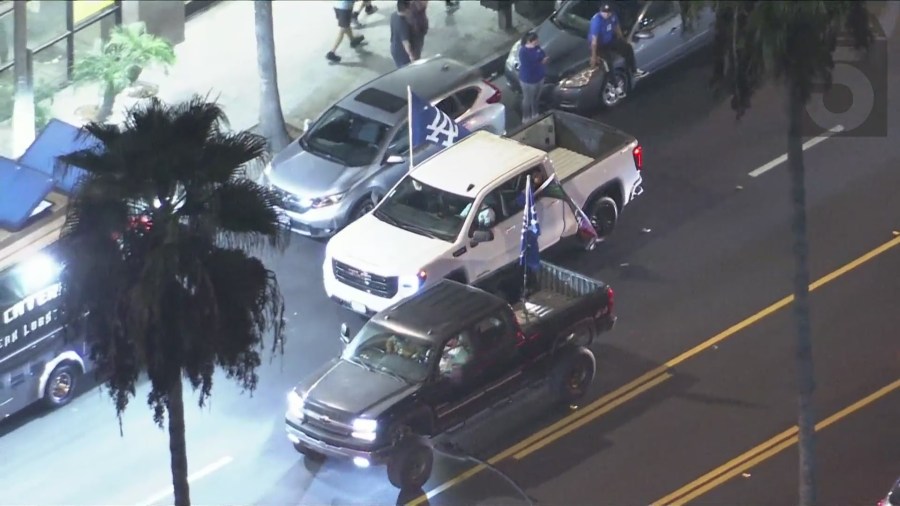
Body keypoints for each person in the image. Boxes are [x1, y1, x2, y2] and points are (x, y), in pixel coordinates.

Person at [588, 3, 646, 78]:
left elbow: (616, 28)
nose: (606, 14)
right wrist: (593, 56)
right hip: (600, 45)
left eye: (608, 12)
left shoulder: (612, 16)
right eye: (604, 12)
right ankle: (614, 85)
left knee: (628, 48)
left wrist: (622, 40)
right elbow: (594, 42)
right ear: (600, 11)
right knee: (609, 63)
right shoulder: (597, 21)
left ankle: (634, 71)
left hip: (609, 40)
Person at [517, 31, 548, 122]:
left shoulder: (536, 47)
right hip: (528, 81)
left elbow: (542, 54)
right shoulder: (523, 51)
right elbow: (530, 64)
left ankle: (535, 114)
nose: (538, 41)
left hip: (539, 77)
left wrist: (540, 60)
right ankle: (526, 117)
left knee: (536, 97)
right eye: (535, 40)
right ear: (529, 41)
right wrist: (541, 61)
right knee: (527, 99)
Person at [390, 0, 417, 68]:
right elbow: (406, 43)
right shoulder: (403, 23)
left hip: (394, 47)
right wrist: (411, 56)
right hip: (402, 52)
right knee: (407, 70)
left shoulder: (394, 15)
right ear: (406, 9)